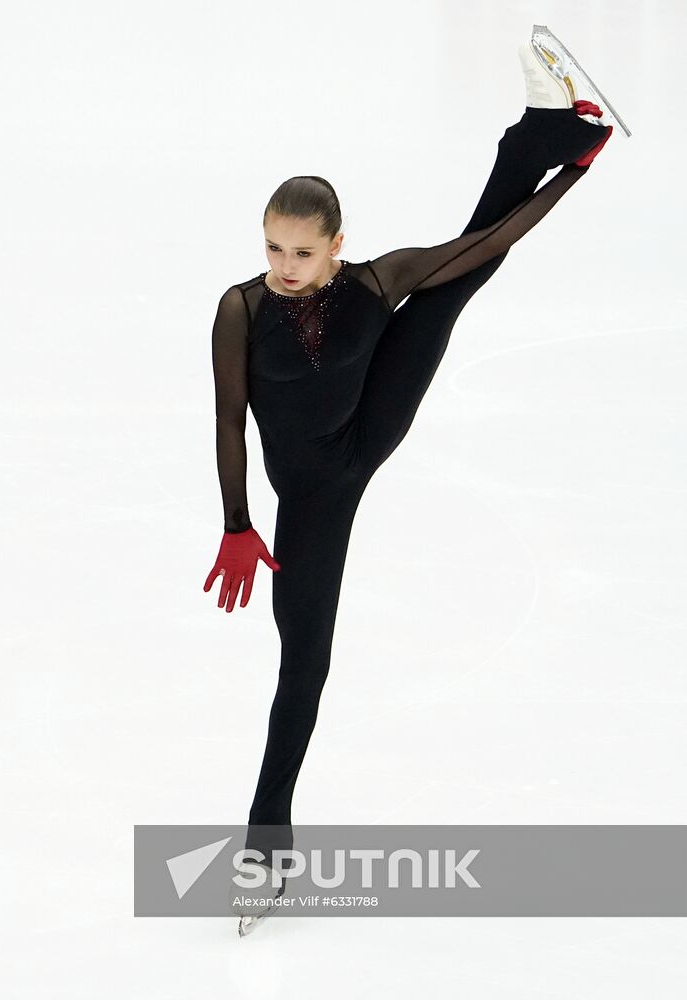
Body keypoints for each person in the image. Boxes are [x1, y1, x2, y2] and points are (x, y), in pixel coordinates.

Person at [204, 33, 618, 921]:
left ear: (337, 247)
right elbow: (227, 419)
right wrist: (240, 521)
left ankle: (540, 138)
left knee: (453, 281)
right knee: (302, 663)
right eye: (274, 248)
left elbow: (486, 243)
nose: (284, 267)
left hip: (366, 431)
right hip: (308, 496)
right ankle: (271, 844)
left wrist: (572, 178)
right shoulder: (239, 311)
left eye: (303, 254)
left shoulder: (371, 281)